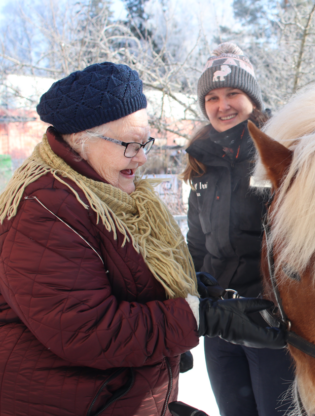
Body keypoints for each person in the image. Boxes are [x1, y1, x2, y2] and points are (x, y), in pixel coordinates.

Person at [0, 62, 284, 416]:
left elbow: (116, 279)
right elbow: (88, 330)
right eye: (130, 145)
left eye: (144, 142)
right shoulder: (46, 210)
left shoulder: (105, 192)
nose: (144, 157)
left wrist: (186, 287)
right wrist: (203, 318)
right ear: (81, 141)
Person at [182, 43, 294, 416]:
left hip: (268, 320)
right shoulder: (202, 160)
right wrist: (189, 299)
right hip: (219, 320)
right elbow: (197, 242)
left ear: (253, 99)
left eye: (233, 93)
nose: (222, 105)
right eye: (212, 97)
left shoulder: (280, 153)